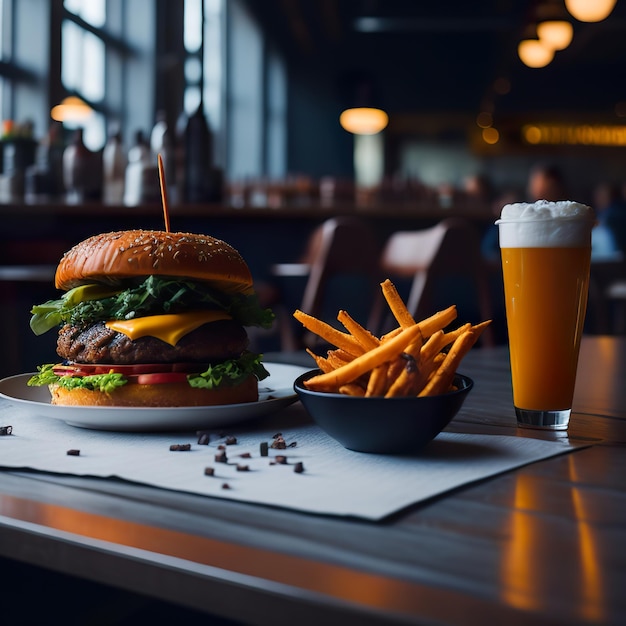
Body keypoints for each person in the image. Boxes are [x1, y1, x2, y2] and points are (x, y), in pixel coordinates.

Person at [594, 182, 626, 257]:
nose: (599, 198)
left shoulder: (615, 215)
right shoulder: (598, 213)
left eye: (603, 195)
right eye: (598, 195)